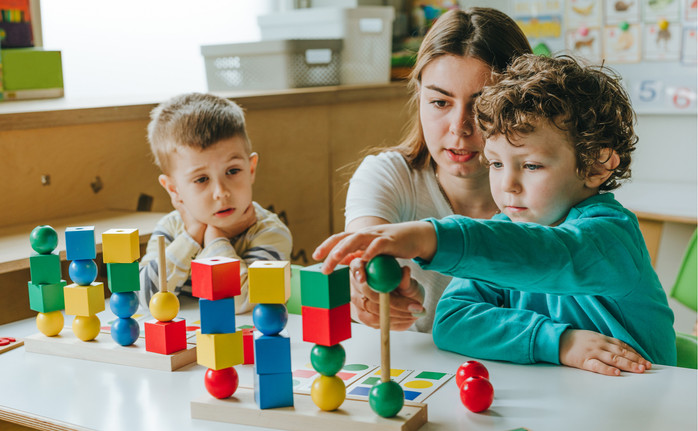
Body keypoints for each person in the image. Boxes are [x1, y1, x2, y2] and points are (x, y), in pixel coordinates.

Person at [314, 54, 676, 375]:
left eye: (532, 166)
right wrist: (559, 342)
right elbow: (452, 320)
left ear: (597, 165)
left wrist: (433, 237)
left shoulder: (611, 238)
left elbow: (548, 255)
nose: (508, 185)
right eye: (496, 163)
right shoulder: (506, 228)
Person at [343, 7, 532, 332]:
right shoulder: (388, 175)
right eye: (440, 102)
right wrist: (367, 288)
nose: (459, 128)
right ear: (419, 96)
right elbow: (365, 248)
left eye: (481, 105)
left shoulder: (548, 193)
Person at [140, 93, 292, 313]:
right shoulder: (171, 229)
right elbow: (145, 297)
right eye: (201, 179)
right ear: (174, 189)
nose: (221, 192)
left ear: (250, 169)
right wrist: (191, 237)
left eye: (233, 171)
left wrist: (214, 238)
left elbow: (246, 302)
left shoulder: (268, 231)